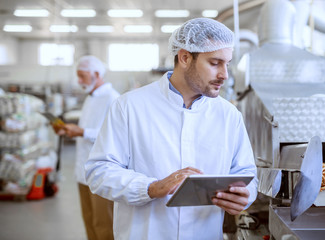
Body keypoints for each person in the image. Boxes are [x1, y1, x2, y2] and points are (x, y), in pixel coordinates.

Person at [85, 18, 258, 240]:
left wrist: (245, 196)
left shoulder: (229, 115)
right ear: (185, 57)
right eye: (215, 63)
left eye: (227, 63)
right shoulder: (129, 106)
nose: (224, 74)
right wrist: (151, 187)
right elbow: (99, 171)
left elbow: (245, 173)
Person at [53, 55, 120, 240]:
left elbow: (114, 136)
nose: (79, 81)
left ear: (97, 74)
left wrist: (81, 132)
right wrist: (68, 130)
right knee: (89, 220)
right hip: (83, 171)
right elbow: (88, 129)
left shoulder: (113, 99)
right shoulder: (91, 97)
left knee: (103, 224)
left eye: (82, 76)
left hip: (102, 172)